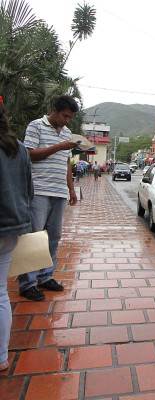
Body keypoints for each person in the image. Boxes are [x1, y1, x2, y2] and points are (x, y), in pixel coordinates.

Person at [18, 95, 80, 301]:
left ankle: (45, 277)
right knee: (35, 237)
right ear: (54, 110)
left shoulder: (68, 133)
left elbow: (66, 165)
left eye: (70, 117)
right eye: (64, 116)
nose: (66, 121)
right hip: (39, 191)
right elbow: (29, 154)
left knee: (53, 237)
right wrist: (58, 146)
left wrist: (71, 189)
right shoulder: (36, 126)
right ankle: (27, 283)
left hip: (59, 192)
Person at [0, 96, 34, 370]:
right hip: (13, 226)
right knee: (1, 293)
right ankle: (1, 357)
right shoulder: (19, 148)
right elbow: (28, 190)